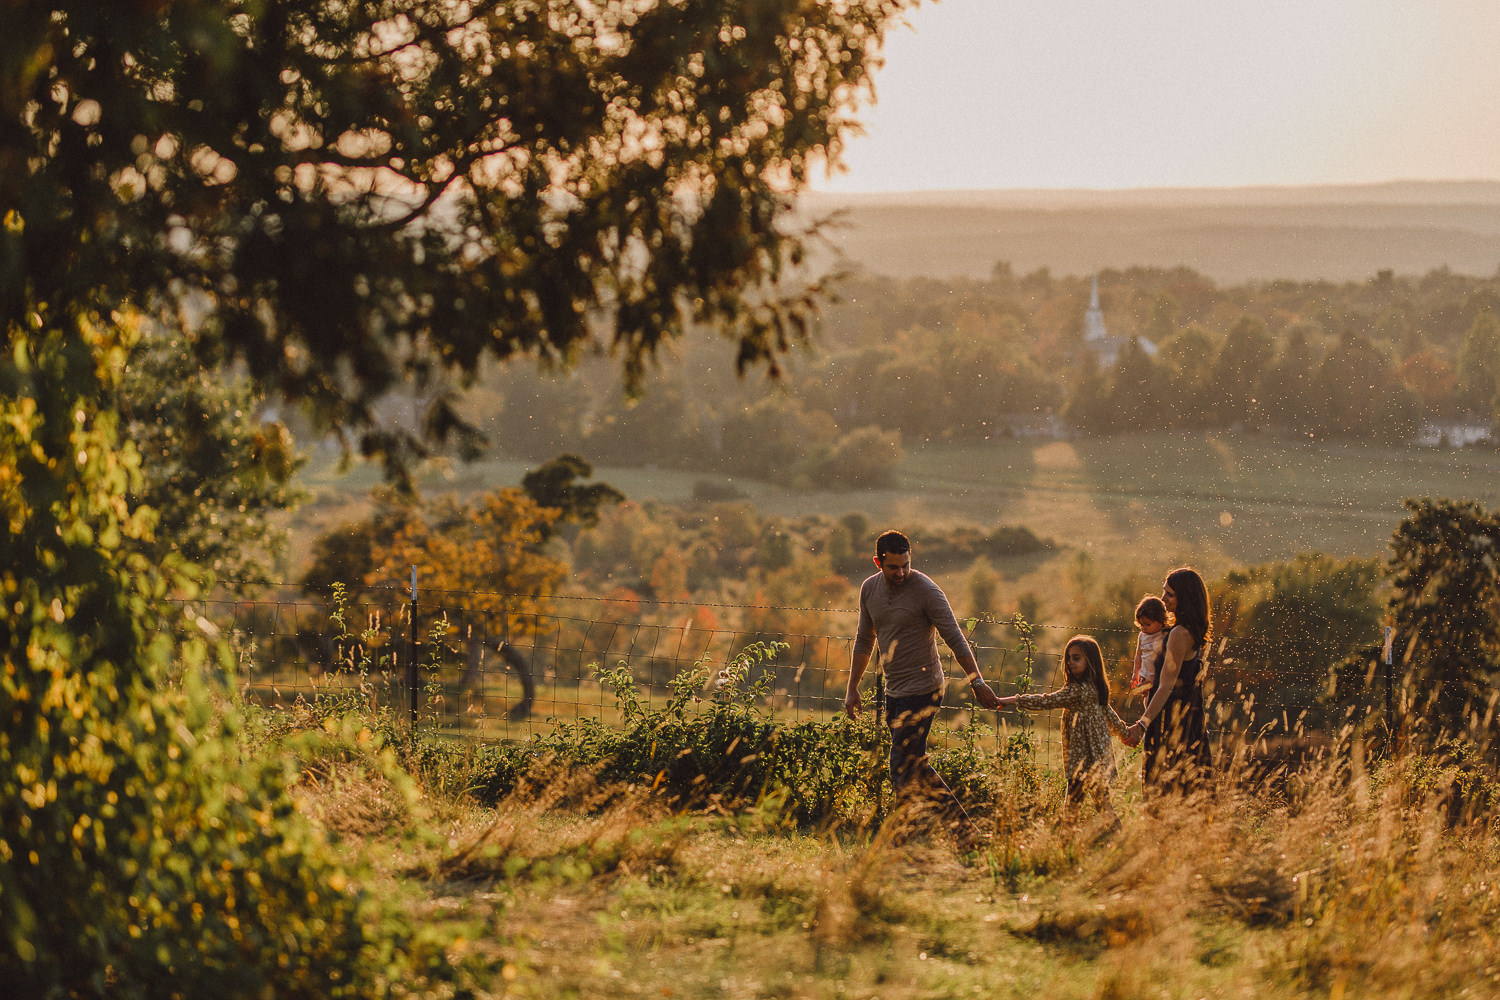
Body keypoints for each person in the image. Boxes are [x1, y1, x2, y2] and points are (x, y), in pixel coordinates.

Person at [845, 530, 1000, 801]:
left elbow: (955, 638)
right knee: (913, 765)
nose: (902, 572)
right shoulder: (869, 589)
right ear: (878, 563)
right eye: (893, 567)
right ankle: (955, 828)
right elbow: (864, 640)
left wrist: (977, 681)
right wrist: (852, 688)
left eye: (906, 564)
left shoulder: (926, 591)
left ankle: (906, 831)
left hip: (924, 689)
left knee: (901, 764)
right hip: (894, 691)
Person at [996, 635, 1132, 821]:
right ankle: (1108, 838)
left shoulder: (1077, 691)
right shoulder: (1094, 688)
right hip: (1098, 758)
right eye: (1068, 658)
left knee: (1074, 808)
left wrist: (1013, 700)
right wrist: (1125, 734)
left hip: (1081, 760)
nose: (1070, 662)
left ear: (1090, 661)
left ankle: (1066, 844)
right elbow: (1110, 714)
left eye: (1076, 658)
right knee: (1099, 804)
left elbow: (1046, 700)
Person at [1125, 566, 1214, 792]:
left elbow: (1166, 685)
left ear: (1185, 597)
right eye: (1164, 591)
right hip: (1188, 715)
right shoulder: (1187, 629)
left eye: (1170, 594)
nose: (1162, 598)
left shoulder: (1177, 634)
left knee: (1164, 786)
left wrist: (1142, 724)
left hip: (1170, 718)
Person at [1129, 595, 1169, 698]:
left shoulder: (1165, 634)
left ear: (1160, 620)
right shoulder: (1142, 636)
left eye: (1147, 624)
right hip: (1145, 678)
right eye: (1141, 624)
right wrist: (1135, 673)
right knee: (1147, 702)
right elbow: (1138, 655)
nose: (1144, 628)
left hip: (1160, 679)